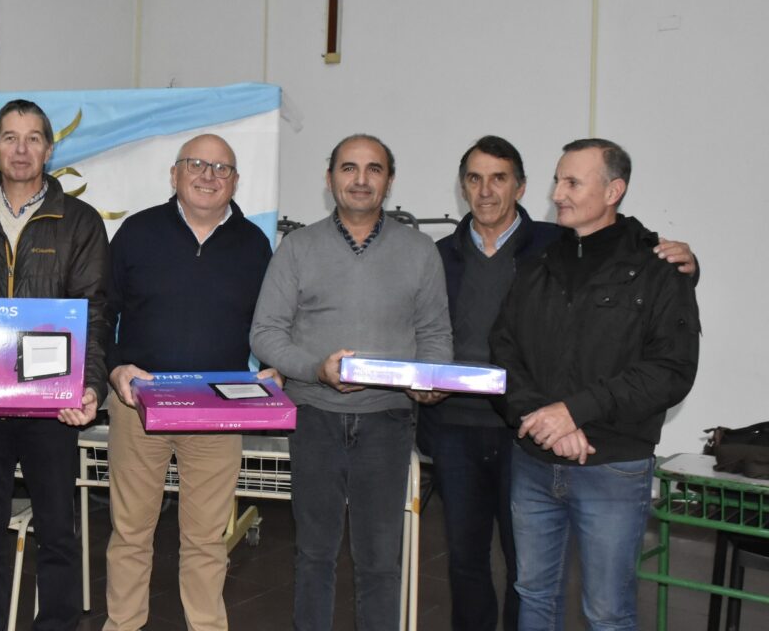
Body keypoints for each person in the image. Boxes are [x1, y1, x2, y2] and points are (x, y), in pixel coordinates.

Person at [417, 135, 697, 631]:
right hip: (533, 455)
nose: (559, 193)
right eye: (557, 180)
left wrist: (572, 412)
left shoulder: (654, 266)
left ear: (613, 191)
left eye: (572, 182)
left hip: (610, 463)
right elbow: (508, 351)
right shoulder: (541, 263)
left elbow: (669, 369)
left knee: (607, 610)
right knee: (534, 595)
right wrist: (541, 417)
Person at [250, 134, 452, 629]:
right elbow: (265, 333)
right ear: (329, 178)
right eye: (348, 168)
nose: (360, 179)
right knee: (314, 554)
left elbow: (435, 336)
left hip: (386, 421)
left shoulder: (421, 251)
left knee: (381, 560)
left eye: (373, 169)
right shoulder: (297, 247)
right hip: (314, 419)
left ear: (389, 179)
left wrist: (429, 379)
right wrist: (316, 368)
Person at [0, 99, 109, 630]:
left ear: (50, 149)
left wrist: (92, 386)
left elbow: (96, 312)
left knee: (57, 528)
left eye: (33, 138)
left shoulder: (79, 222)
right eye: (10, 137)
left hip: (51, 402)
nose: (21, 149)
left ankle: (56, 624)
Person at [103, 134, 275, 631]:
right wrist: (115, 369)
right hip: (139, 405)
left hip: (216, 412)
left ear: (236, 182)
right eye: (197, 164)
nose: (209, 176)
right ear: (174, 174)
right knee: (131, 533)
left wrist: (271, 364)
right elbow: (102, 312)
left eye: (222, 169)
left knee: (205, 539)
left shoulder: (254, 245)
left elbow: (268, 325)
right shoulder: (137, 233)